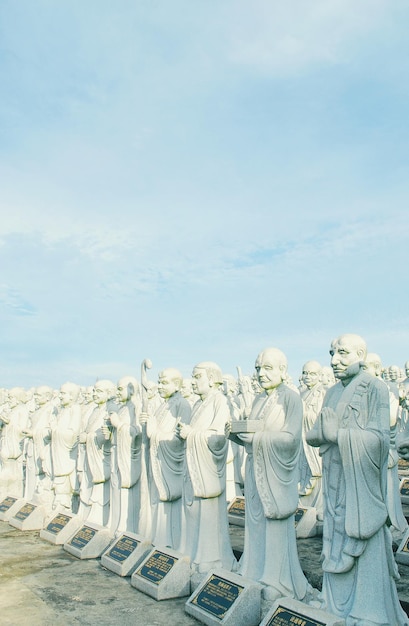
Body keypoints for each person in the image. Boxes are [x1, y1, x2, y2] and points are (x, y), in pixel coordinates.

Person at [306, 334, 407, 625]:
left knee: (363, 545)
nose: (334, 360)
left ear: (360, 355)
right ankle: (334, 606)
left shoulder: (374, 388)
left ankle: (368, 610)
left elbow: (379, 441)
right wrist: (325, 434)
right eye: (332, 353)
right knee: (335, 538)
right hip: (335, 479)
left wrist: (340, 436)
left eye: (343, 354)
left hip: (360, 489)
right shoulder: (332, 392)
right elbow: (315, 434)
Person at [229, 348, 311, 603]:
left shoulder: (291, 398)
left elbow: (291, 439)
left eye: (267, 368)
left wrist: (258, 439)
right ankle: (252, 569)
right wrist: (238, 435)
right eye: (257, 368)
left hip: (276, 475)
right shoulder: (257, 400)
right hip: (256, 471)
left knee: (274, 525)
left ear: (282, 371)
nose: (260, 374)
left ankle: (278, 580)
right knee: (255, 524)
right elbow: (252, 436)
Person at [178, 361, 236, 577]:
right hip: (194, 470)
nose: (193, 381)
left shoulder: (219, 401)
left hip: (208, 471)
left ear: (211, 379)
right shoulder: (197, 405)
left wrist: (191, 435)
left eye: (197, 377)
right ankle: (194, 554)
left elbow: (218, 438)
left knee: (209, 517)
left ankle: (211, 558)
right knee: (194, 515)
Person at [141, 368, 191, 548]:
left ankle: (171, 542)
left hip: (170, 466)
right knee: (157, 507)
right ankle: (158, 539)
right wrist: (146, 426)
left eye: (164, 382)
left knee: (170, 509)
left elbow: (178, 439)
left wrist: (154, 432)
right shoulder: (163, 406)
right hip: (157, 462)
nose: (160, 386)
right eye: (159, 382)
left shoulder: (182, 405)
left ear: (177, 384)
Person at [363, 353, 408, 540]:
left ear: (377, 368)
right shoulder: (364, 389)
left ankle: (392, 524)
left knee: (388, 491)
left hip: (384, 449)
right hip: (368, 450)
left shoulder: (386, 389)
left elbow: (389, 421)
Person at [105, 376, 142, 535]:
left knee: (126, 494)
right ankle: (114, 526)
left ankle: (126, 529)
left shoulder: (137, 407)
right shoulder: (122, 408)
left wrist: (118, 425)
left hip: (127, 458)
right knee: (116, 491)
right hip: (116, 454)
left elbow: (137, 432)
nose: (117, 392)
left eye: (120, 389)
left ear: (132, 389)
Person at [78, 380, 117, 526]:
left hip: (101, 458)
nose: (95, 394)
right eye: (94, 390)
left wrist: (88, 438)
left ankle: (99, 518)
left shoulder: (111, 408)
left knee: (100, 492)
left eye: (99, 391)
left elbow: (107, 433)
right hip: (91, 454)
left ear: (108, 393)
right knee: (89, 488)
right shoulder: (95, 409)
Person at [298, 360, 325, 519]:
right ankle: (304, 509)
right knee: (302, 472)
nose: (308, 376)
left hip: (315, 443)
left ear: (320, 376)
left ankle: (319, 508)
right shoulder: (301, 394)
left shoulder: (322, 393)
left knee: (319, 475)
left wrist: (306, 415)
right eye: (305, 373)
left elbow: (320, 418)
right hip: (302, 442)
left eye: (312, 373)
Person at [49, 382, 82, 512]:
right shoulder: (63, 411)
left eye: (63, 393)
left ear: (71, 395)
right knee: (59, 486)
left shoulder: (75, 409)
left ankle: (65, 509)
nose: (60, 396)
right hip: (58, 454)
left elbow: (72, 434)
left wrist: (55, 430)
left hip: (66, 455)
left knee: (65, 485)